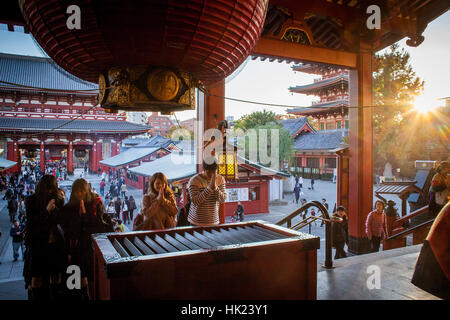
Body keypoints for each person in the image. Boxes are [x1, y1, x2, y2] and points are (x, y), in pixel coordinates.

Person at [60, 178, 113, 300]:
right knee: (73, 284)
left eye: (83, 191)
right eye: (78, 191)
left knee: (91, 280)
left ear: (87, 191)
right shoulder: (68, 208)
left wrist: (84, 216)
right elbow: (68, 230)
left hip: (89, 249)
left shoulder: (95, 204)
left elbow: (98, 227)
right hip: (74, 249)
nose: (80, 194)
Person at [23, 174, 66, 300]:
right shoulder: (31, 200)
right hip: (38, 244)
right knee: (37, 278)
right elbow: (32, 223)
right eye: (49, 188)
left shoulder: (58, 200)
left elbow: (60, 221)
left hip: (55, 244)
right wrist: (46, 211)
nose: (50, 191)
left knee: (56, 277)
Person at [188, 157, 227, 226]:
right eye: (209, 172)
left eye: (214, 171)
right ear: (204, 169)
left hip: (214, 221)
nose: (212, 174)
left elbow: (222, 199)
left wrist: (215, 187)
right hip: (196, 222)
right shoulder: (194, 180)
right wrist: (209, 188)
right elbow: (195, 201)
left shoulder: (220, 179)